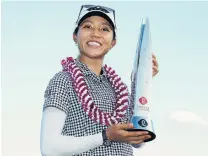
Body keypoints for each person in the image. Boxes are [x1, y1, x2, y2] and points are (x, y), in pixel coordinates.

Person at [40, 4, 159, 156]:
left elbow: (137, 141)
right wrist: (105, 136)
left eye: (104, 29)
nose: (95, 33)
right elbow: (49, 148)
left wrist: (141, 83)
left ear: (113, 42)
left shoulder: (120, 88)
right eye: (88, 26)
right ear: (75, 36)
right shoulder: (63, 80)